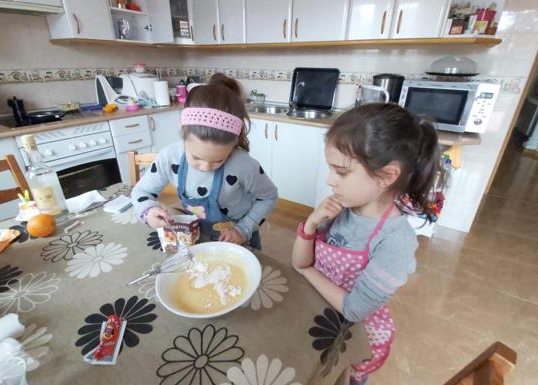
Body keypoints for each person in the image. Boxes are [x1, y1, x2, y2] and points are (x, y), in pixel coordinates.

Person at [292, 103, 442, 384]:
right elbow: (299, 261)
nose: (330, 180)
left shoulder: (396, 241)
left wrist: (307, 272)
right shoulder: (341, 208)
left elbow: (353, 309)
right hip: (320, 313)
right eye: (330, 169)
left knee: (342, 377)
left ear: (387, 175)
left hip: (354, 334)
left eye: (341, 172)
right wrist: (312, 224)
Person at [131, 73, 278, 248]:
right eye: (196, 157)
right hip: (195, 235)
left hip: (238, 238)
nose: (206, 167)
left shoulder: (244, 165)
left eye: (219, 160)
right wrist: (148, 212)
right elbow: (141, 191)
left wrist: (243, 229)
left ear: (234, 144)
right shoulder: (169, 157)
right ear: (183, 130)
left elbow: (268, 196)